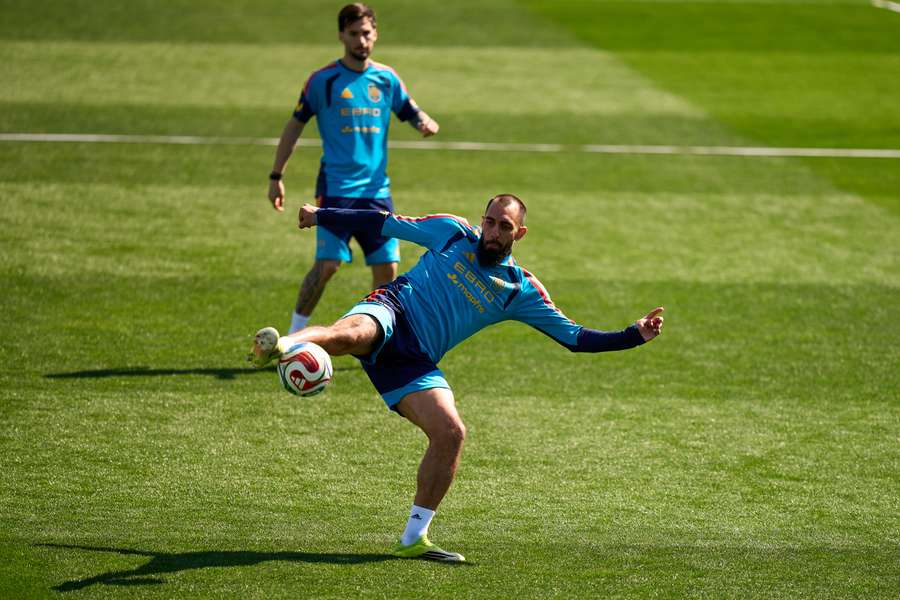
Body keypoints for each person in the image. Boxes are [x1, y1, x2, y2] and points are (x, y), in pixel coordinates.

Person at [249, 194, 665, 562]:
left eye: (504, 227)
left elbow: (574, 337)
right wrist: (321, 215)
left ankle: (414, 538)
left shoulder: (518, 289)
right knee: (353, 334)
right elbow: (382, 222)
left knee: (451, 433)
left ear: (519, 233)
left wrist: (634, 336)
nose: (493, 231)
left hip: (415, 360)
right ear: (481, 220)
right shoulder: (450, 233)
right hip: (392, 309)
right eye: (490, 221)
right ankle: (283, 345)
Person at [267, 3, 440, 333]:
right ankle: (293, 336)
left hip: (377, 192)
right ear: (341, 36)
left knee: (387, 270)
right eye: (354, 34)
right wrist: (276, 176)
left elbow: (409, 109)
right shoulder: (323, 81)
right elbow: (294, 126)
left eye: (366, 33)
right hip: (336, 189)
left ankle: (379, 338)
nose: (361, 41)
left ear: (375, 33)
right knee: (328, 265)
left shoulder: (387, 78)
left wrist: (423, 122)